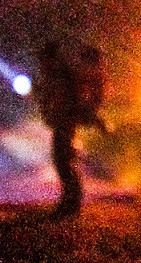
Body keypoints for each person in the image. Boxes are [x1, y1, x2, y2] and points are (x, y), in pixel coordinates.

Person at [34, 39, 105, 216]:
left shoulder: (60, 75)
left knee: (63, 161)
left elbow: (69, 98)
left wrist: (85, 114)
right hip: (63, 120)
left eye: (43, 59)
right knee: (63, 160)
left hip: (65, 121)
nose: (41, 63)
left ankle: (71, 203)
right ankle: (71, 201)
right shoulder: (56, 74)